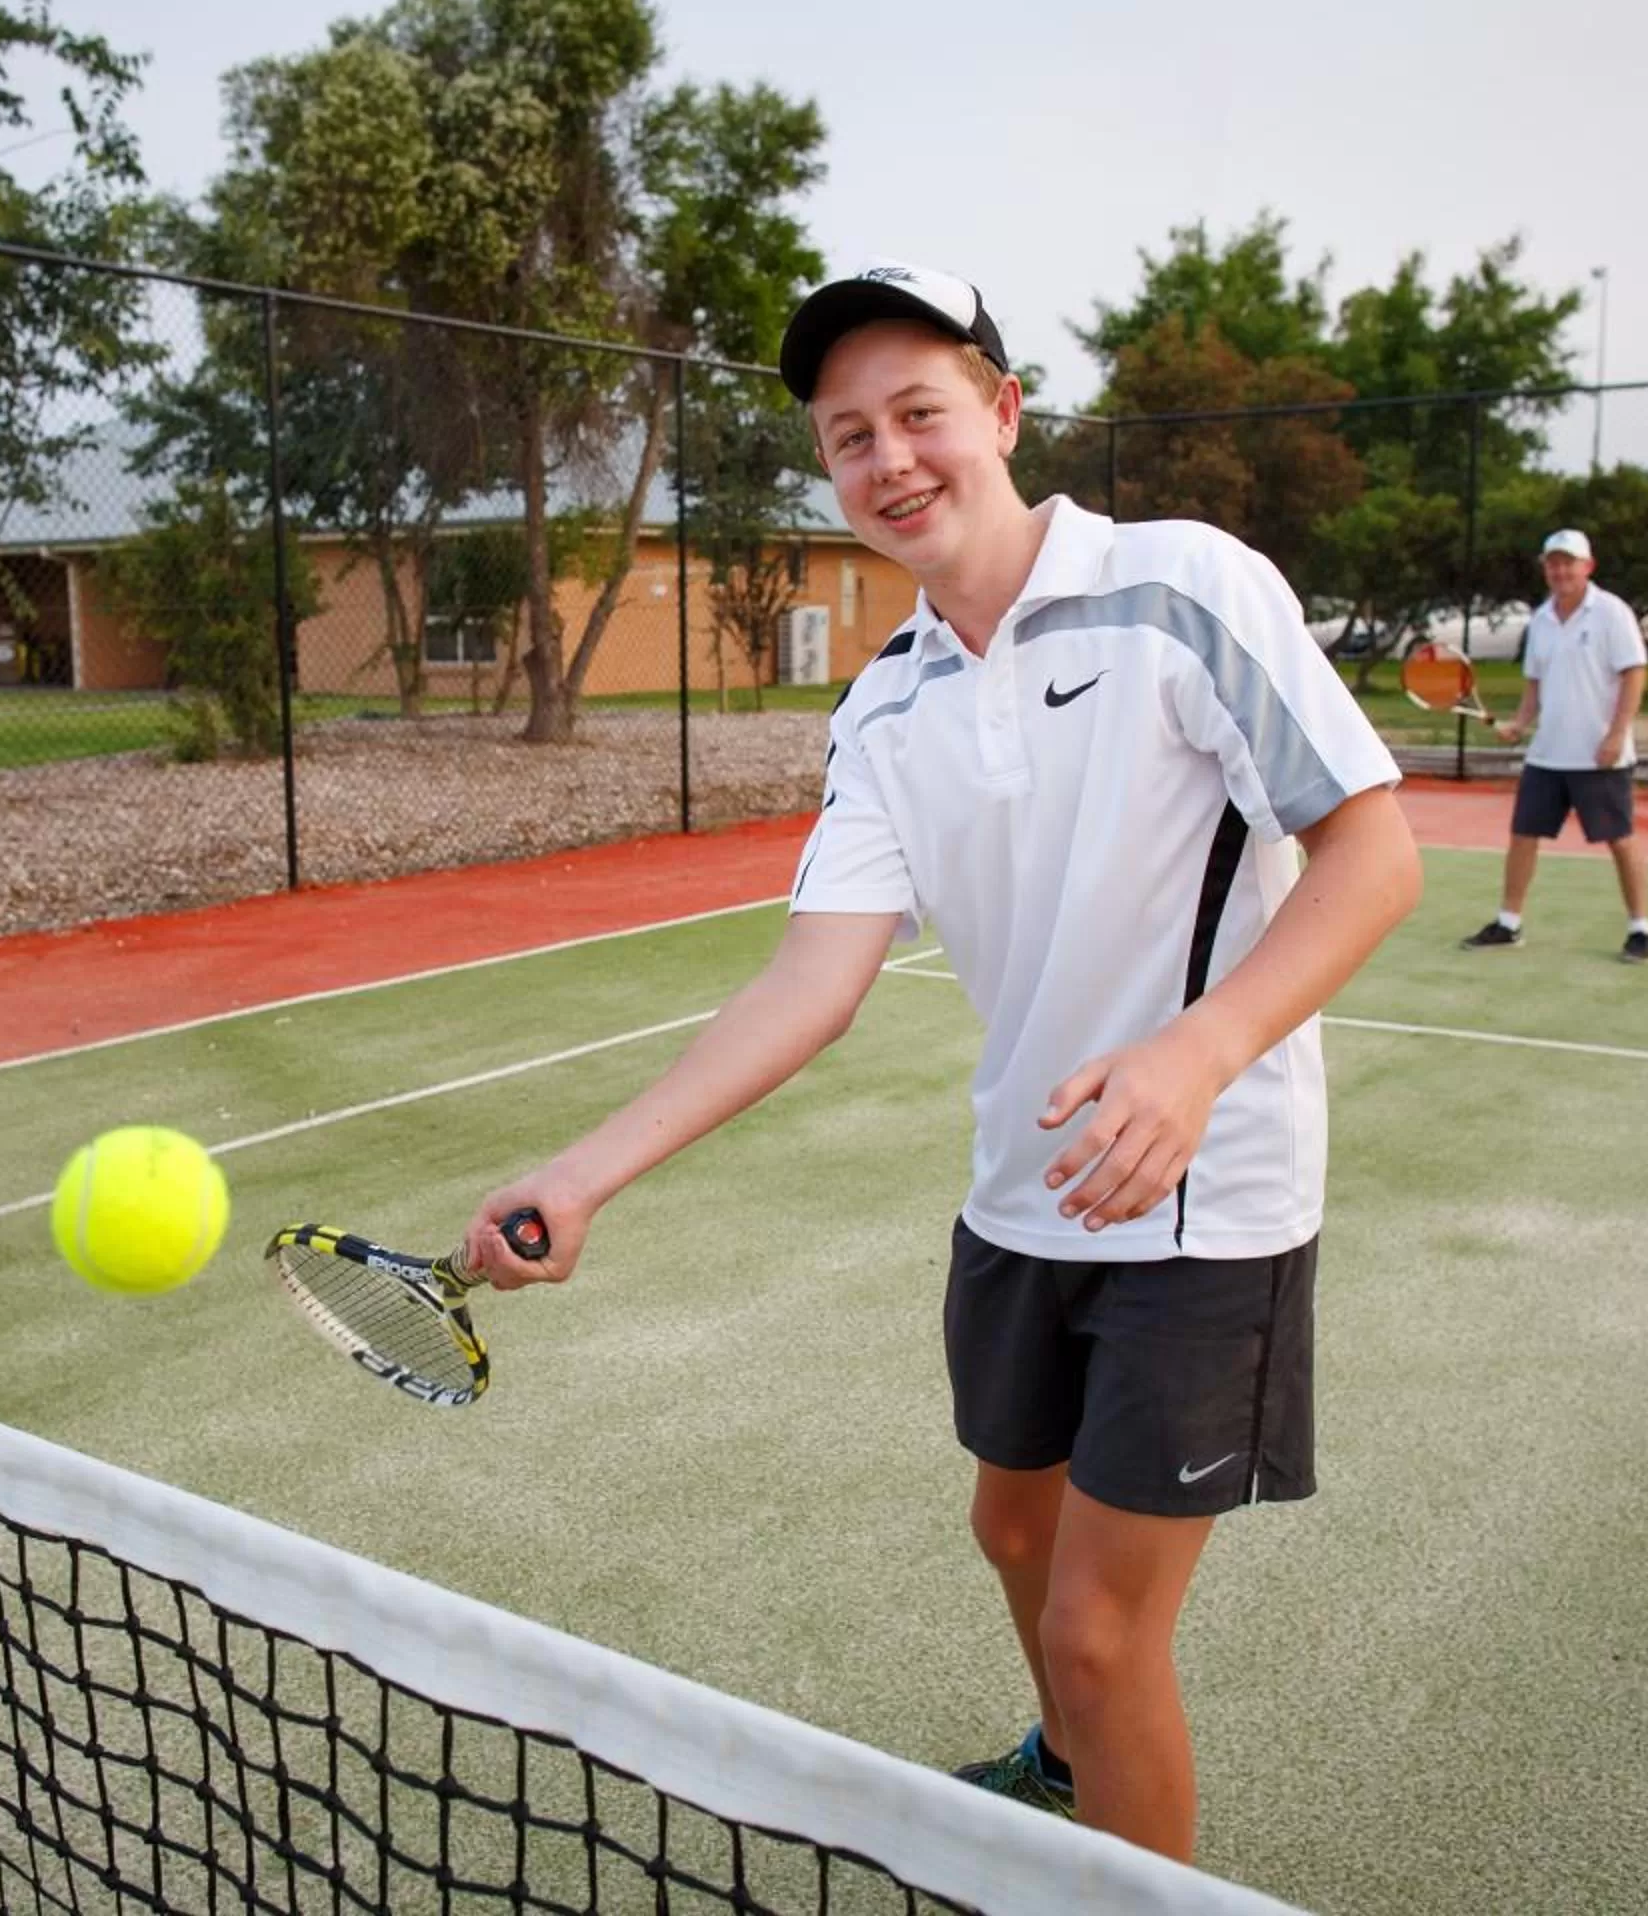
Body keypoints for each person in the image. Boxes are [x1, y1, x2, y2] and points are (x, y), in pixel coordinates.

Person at [457, 263, 1421, 1864]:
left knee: (1109, 1640)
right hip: (1020, 1196)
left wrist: (1196, 1056)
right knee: (1010, 1530)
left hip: (1204, 1202)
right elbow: (811, 983)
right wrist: (582, 1175)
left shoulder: (1180, 588)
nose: (891, 460)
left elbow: (1373, 857)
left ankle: (1109, 1813)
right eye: (850, 437)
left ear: (1003, 412)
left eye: (920, 413)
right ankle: (1068, 1755)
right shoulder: (885, 700)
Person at [1459, 528, 1648, 961]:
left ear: (1588, 566)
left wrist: (1617, 734)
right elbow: (1535, 685)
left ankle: (1641, 928)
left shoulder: (1611, 613)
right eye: (1553, 563)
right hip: (1547, 754)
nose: (1560, 570)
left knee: (1620, 839)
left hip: (1601, 756)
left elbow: (1634, 674)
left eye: (1569, 562)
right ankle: (1509, 923)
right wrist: (1521, 723)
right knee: (1523, 836)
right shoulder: (1542, 619)